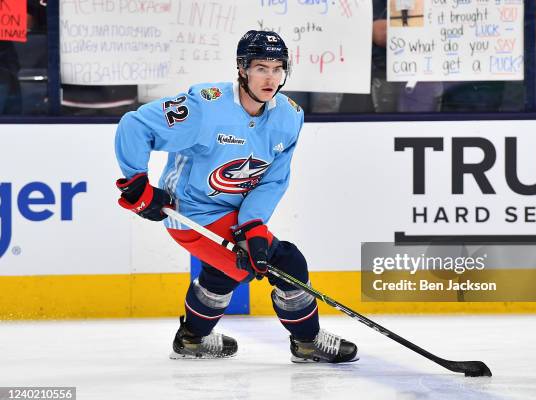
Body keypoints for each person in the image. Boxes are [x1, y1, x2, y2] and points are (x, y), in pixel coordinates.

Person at [113, 30, 358, 364]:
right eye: (261, 68)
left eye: (277, 68)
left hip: (235, 212)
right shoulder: (205, 107)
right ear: (242, 69)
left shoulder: (289, 116)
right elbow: (135, 125)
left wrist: (253, 226)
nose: (270, 77)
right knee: (287, 263)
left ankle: (192, 339)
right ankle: (307, 342)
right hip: (192, 213)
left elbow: (273, 179)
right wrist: (138, 182)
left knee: (228, 269)